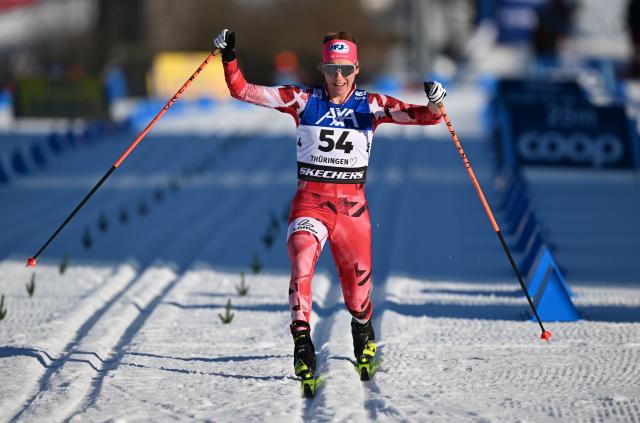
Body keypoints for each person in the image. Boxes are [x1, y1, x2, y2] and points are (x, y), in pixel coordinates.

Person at [214, 29, 446, 380]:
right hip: (311, 203)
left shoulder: (371, 105)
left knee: (358, 297)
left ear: (357, 69)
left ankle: (362, 330)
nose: (338, 77)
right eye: (331, 68)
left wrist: (435, 101)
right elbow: (243, 90)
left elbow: (426, 117)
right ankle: (302, 343)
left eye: (345, 69)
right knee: (301, 258)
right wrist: (229, 57)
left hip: (353, 212)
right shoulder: (302, 100)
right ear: (322, 69)